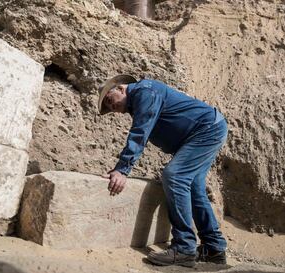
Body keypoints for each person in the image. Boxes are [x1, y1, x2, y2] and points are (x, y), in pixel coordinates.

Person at [98, 74, 228, 267]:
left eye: (109, 101)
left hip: (206, 130)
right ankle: (214, 248)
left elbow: (140, 132)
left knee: (175, 176)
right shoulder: (141, 98)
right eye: (109, 109)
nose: (112, 108)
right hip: (208, 129)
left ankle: (184, 248)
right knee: (193, 186)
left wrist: (122, 170)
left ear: (121, 88)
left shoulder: (144, 91)